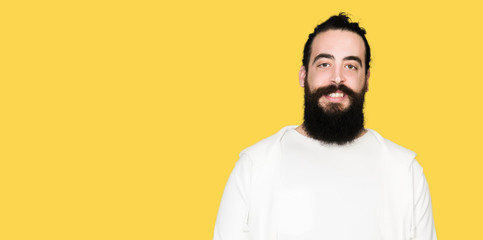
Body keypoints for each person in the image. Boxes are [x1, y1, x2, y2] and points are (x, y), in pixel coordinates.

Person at [213, 13, 437, 240]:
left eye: (350, 66)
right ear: (303, 75)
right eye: (324, 64)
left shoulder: (405, 172)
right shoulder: (254, 167)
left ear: (367, 79)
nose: (337, 78)